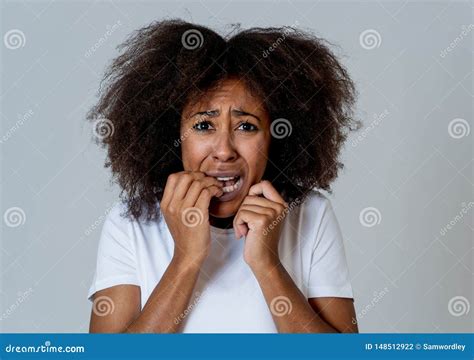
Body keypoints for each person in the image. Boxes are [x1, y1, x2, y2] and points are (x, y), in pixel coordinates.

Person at [86, 19, 361, 333]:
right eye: (204, 125)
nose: (224, 150)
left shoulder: (311, 215)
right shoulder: (130, 223)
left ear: (275, 139)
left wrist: (268, 264)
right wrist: (187, 259)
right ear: (171, 135)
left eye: (246, 126)